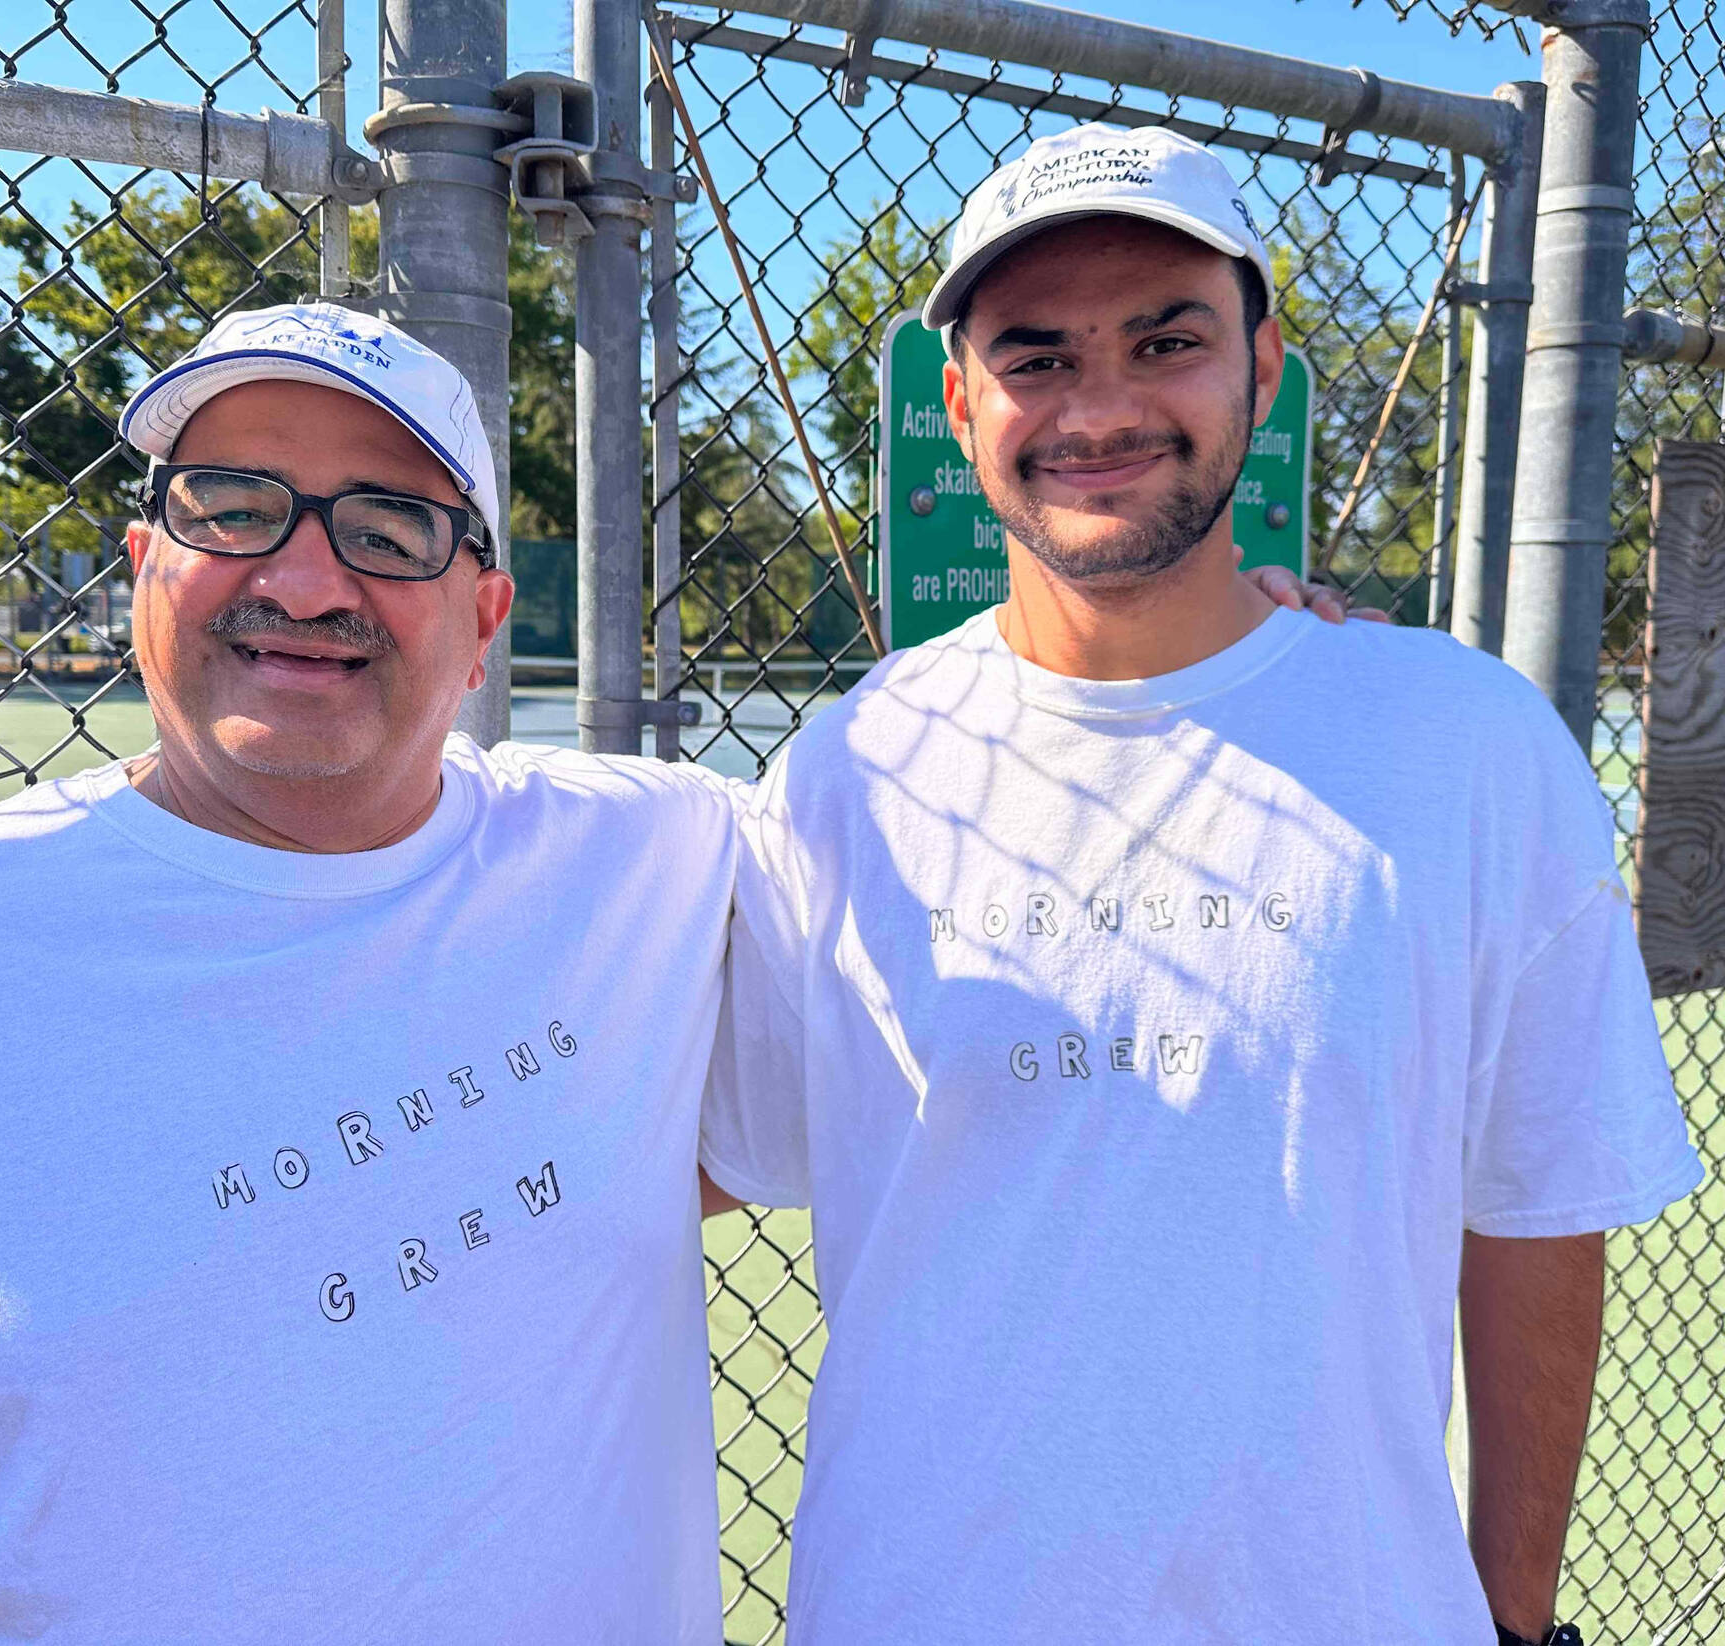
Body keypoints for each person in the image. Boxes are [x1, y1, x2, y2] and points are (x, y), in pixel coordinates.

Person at [698, 124, 1702, 1646]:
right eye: (1035, 357)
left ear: (1264, 366)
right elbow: (685, 1151)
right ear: (961, 402)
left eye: (1165, 339)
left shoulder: (1467, 745)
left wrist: (1515, 1612)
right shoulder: (850, 774)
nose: (1100, 406)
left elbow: (1538, 1203)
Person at [0, 304, 739, 1642]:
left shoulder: (653, 862)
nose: (301, 581)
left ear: (485, 619)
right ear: (142, 565)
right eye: (232, 505)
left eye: (388, 526)